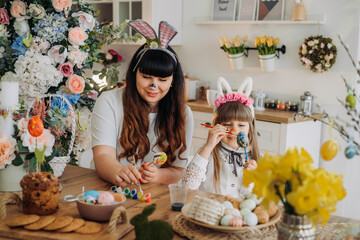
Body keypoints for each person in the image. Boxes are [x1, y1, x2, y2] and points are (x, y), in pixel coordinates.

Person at [91, 20, 193, 188]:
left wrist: (157, 175)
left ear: (173, 80)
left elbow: (178, 171)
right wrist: (119, 172)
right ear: (134, 74)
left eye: (163, 80)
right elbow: (103, 156)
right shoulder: (109, 101)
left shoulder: (183, 113)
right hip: (112, 189)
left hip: (155, 194)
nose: (154, 86)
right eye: (146, 77)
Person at [181, 77, 259, 199]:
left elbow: (253, 200)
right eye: (227, 125)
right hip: (209, 212)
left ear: (250, 129)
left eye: (241, 125)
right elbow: (187, 186)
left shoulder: (257, 159)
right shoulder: (209, 154)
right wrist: (208, 146)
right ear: (216, 126)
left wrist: (250, 179)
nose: (234, 130)